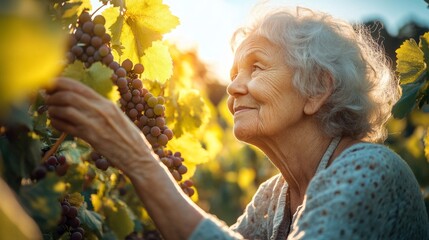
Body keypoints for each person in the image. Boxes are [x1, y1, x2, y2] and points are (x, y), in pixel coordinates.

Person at [46, 6, 429, 240]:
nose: (232, 86)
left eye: (256, 68)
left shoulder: (369, 170)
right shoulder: (274, 197)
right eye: (233, 73)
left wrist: (139, 160)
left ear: (317, 90)